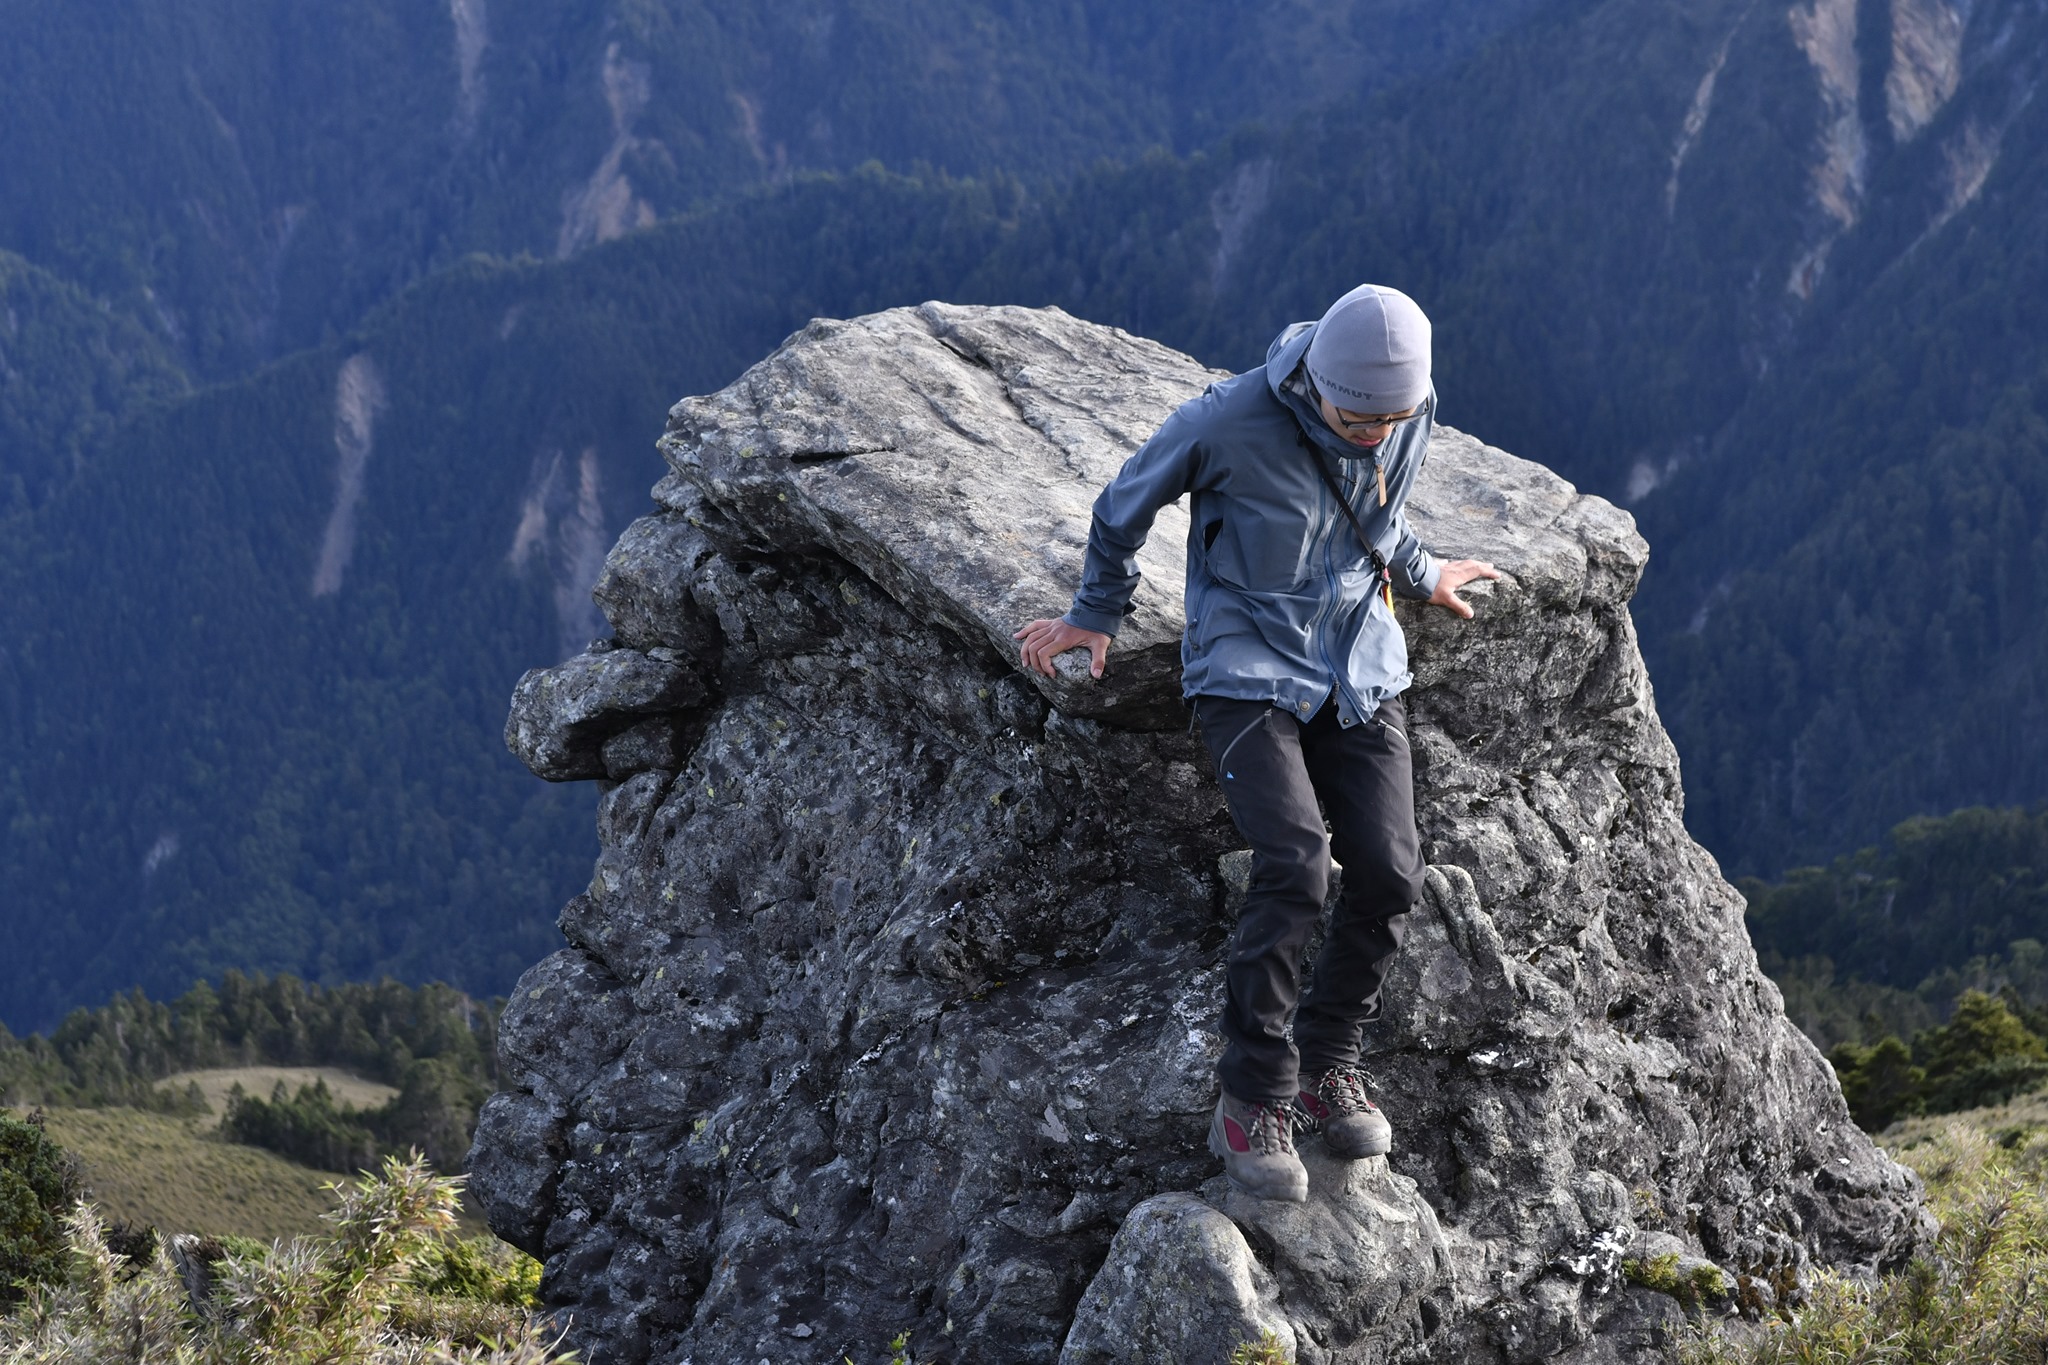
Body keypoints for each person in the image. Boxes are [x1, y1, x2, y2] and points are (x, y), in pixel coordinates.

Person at [1013, 284, 1497, 1202]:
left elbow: (1383, 513)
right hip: (1243, 663)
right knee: (1295, 865)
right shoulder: (1228, 420)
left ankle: (1328, 1060)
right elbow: (1123, 502)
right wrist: (1094, 614)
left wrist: (1425, 573)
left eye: (1387, 418)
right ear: (1316, 380)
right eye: (1356, 415)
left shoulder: (1408, 409)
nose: (1372, 432)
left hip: (1357, 657)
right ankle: (1253, 1093)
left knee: (1394, 874)